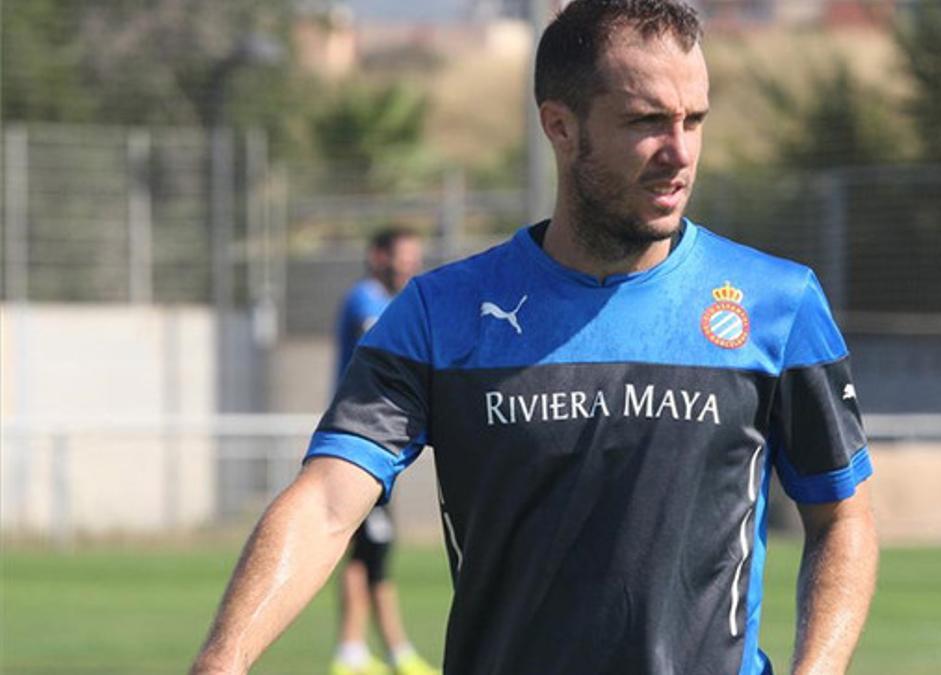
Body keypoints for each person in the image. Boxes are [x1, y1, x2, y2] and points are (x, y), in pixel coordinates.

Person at [192, 2, 877, 674]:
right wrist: (224, 656)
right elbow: (326, 502)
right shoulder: (442, 315)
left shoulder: (778, 306)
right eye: (647, 122)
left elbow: (842, 516)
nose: (680, 152)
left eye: (694, 120)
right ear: (561, 127)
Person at [329, 227, 437, 675]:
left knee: (366, 555)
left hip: (376, 446)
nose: (410, 264)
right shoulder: (366, 300)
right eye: (403, 256)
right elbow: (386, 343)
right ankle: (381, 652)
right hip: (361, 446)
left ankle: (363, 651)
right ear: (378, 257)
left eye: (416, 256)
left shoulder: (387, 301)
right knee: (373, 551)